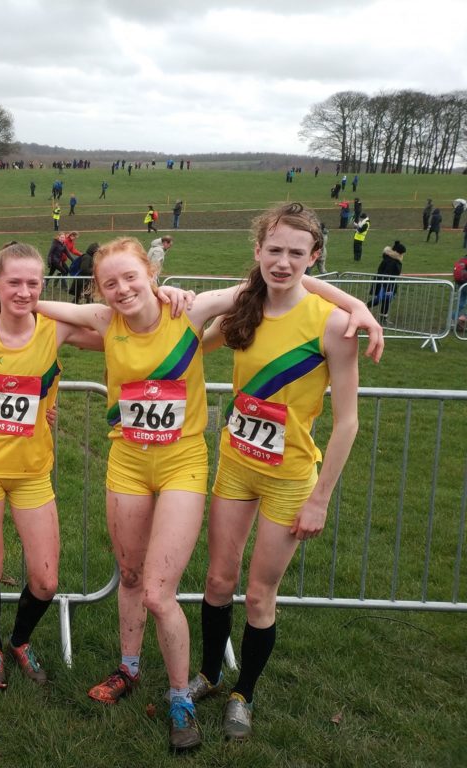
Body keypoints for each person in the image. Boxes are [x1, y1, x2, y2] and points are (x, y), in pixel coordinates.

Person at [28, 230, 377, 752]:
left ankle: (181, 696)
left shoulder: (188, 312)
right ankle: (129, 669)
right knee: (134, 574)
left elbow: (272, 280)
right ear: (98, 291)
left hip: (185, 463)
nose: (122, 289)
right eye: (109, 283)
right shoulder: (106, 321)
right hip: (128, 461)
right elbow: (28, 300)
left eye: (131, 277)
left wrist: (357, 306)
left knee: (160, 590)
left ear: (153, 275)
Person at [192, 202, 363, 743]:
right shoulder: (245, 309)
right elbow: (187, 345)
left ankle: (245, 695)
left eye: (296, 252)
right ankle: (209, 675)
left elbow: (348, 423)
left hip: (290, 478)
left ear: (314, 256)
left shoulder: (334, 324)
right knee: (218, 580)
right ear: (258, 251)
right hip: (236, 466)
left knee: (260, 594)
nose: (283, 262)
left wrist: (320, 499)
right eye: (274, 250)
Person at [0, 243, 102, 693]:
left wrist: (48, 401)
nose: (24, 291)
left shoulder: (55, 330)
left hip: (33, 471)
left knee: (46, 580)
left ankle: (20, 640)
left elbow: (111, 326)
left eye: (34, 283)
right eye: (14, 282)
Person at [367, 240, 405, 324]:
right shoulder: (392, 261)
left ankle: (383, 318)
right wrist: (386, 286)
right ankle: (364, 307)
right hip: (386, 283)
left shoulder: (391, 259)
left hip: (388, 282)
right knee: (381, 299)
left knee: (385, 300)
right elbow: (387, 273)